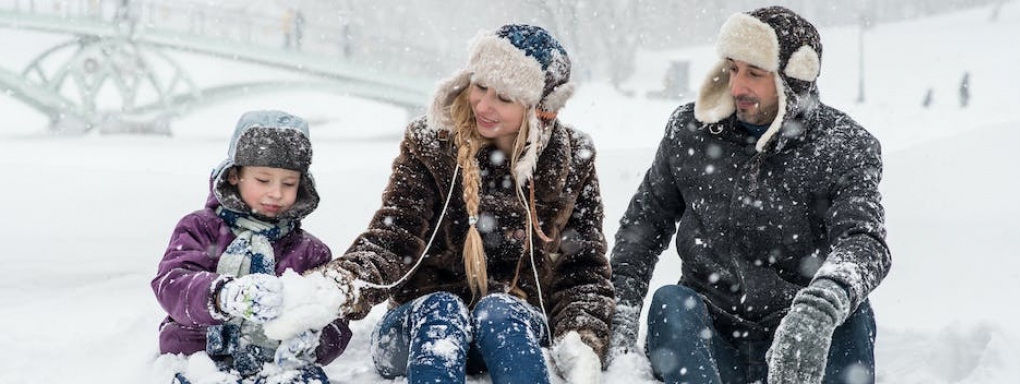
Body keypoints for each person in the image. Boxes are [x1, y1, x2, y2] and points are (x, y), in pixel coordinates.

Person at [307, 24, 613, 384]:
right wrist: (338, 285)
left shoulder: (572, 158)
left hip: (510, 330)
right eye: (480, 87)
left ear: (538, 109)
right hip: (415, 326)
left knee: (501, 311)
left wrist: (582, 338)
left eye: (503, 97)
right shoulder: (430, 143)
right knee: (443, 309)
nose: (484, 105)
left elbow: (582, 266)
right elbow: (394, 237)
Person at [608, 6, 891, 384]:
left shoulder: (843, 146)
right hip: (711, 340)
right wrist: (621, 310)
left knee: (851, 312)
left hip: (801, 341)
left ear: (794, 82)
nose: (737, 86)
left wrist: (820, 305)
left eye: (755, 74)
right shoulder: (690, 132)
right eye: (733, 68)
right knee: (670, 304)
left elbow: (864, 240)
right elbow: (642, 227)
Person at [152, 110, 352, 384]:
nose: (276, 192)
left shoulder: (310, 252)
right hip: (198, 359)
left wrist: (315, 340)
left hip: (279, 366)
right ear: (235, 175)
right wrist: (224, 295)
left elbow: (335, 316)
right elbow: (172, 284)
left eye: (289, 183)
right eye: (263, 180)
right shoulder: (200, 228)